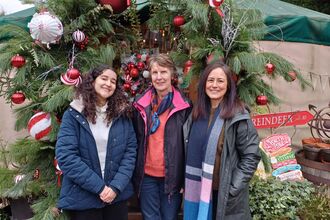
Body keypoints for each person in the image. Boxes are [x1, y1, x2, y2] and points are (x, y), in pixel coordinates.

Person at [55, 64, 137, 220]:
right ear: (92, 81)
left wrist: (115, 187)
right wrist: (99, 188)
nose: (108, 84)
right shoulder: (73, 114)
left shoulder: (122, 115)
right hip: (83, 197)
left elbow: (130, 153)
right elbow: (66, 156)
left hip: (116, 197)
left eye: (113, 81)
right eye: (104, 78)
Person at [183, 60, 261, 220]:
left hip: (224, 194)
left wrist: (232, 188)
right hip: (198, 190)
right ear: (204, 83)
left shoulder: (238, 115)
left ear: (228, 86)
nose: (214, 85)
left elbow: (251, 156)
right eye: (210, 80)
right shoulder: (197, 112)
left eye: (220, 81)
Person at [132, 53, 192, 220]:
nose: (159, 77)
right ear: (150, 76)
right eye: (155, 72)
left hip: (172, 178)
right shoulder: (140, 105)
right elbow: (135, 141)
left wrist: (185, 180)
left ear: (172, 74)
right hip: (147, 178)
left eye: (163, 72)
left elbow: (189, 146)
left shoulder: (184, 106)